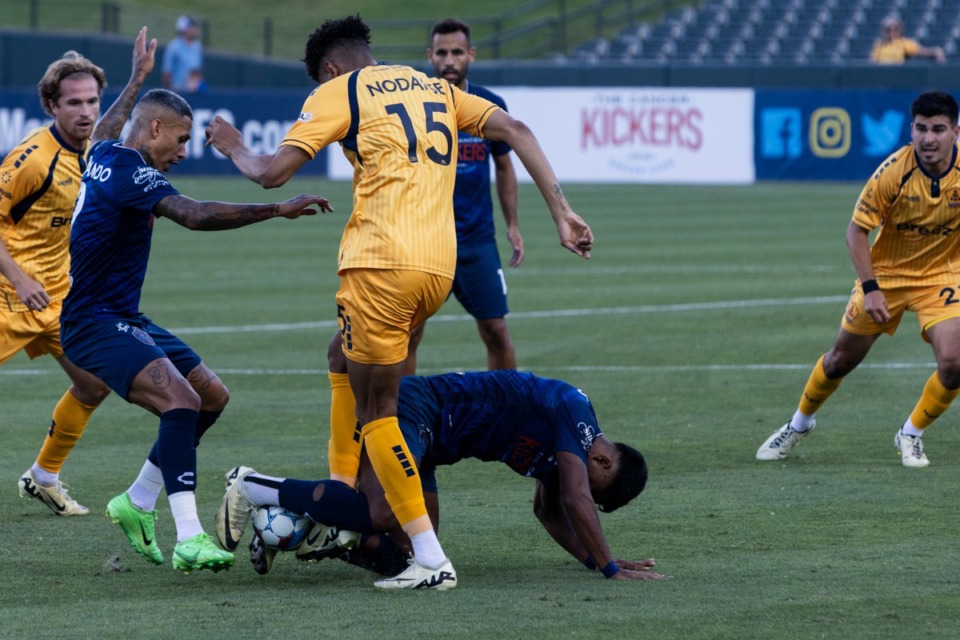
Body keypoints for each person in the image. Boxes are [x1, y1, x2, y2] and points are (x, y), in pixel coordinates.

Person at [205, 15, 593, 591]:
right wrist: (561, 211)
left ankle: (430, 558)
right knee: (341, 356)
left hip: (381, 264)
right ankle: (342, 495)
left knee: (380, 412)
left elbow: (272, 173)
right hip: (437, 268)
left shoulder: (340, 90)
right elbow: (517, 129)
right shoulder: (433, 85)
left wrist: (231, 143)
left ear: (331, 69)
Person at [60, 87, 332, 574]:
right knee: (181, 401)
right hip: (93, 322)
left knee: (210, 396)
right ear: (155, 129)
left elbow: (104, 128)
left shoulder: (104, 151)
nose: (184, 152)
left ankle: (138, 501)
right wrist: (273, 209)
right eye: (181, 139)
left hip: (123, 315)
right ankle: (189, 537)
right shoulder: (131, 171)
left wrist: (136, 78)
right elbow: (193, 214)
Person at [219, 370, 670, 584]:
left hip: (435, 446)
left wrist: (594, 560)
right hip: (419, 409)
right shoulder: (575, 413)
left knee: (411, 555)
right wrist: (611, 569)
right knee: (381, 511)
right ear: (605, 462)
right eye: (595, 489)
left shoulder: (570, 453)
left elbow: (549, 510)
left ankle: (292, 529)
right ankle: (253, 485)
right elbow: (575, 500)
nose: (584, 491)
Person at [757, 91, 960, 468]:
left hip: (941, 277)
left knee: (955, 363)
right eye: (920, 129)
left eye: (938, 129)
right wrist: (871, 289)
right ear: (911, 130)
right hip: (886, 277)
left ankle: (911, 434)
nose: (928, 138)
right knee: (839, 361)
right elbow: (855, 233)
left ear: (955, 132)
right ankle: (799, 424)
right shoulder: (892, 173)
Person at [2, 28, 156, 516]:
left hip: (60, 299)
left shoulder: (94, 149)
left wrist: (136, 79)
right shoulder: (31, 159)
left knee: (93, 383)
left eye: (92, 100)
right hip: (10, 292)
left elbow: (110, 123)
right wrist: (21, 279)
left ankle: (44, 476)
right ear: (52, 106)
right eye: (74, 103)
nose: (86, 111)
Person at [870, 15, 946, 65]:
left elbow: (922, 51)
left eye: (896, 29)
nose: (892, 32)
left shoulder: (904, 43)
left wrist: (936, 51)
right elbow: (873, 62)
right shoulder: (879, 44)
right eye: (889, 29)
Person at [162, 15, 203, 92]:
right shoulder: (174, 47)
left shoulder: (197, 46)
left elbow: (198, 70)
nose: (195, 29)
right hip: (177, 90)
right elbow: (167, 72)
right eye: (192, 27)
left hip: (194, 91)